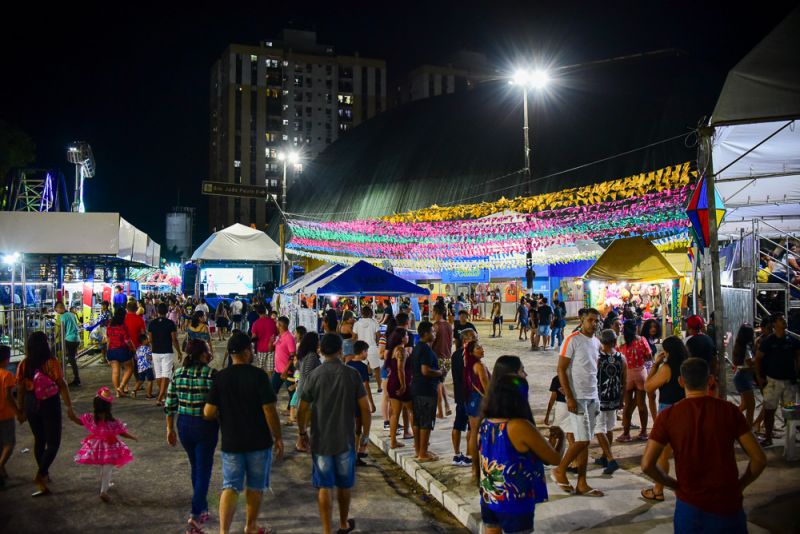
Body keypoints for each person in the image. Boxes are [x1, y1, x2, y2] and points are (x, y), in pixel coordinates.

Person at [641, 358, 766, 532]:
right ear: (710, 380)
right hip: (728, 506)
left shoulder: (668, 416)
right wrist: (740, 485)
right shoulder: (729, 410)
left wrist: (673, 484)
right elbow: (759, 459)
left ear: (681, 381)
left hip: (690, 508)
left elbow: (647, 465)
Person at [204, 332, 283, 534]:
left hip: (232, 441)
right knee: (255, 487)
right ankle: (250, 526)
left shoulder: (220, 377)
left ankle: (223, 531)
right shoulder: (259, 376)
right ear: (247, 352)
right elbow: (269, 410)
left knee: (230, 486)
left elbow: (208, 412)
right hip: (259, 441)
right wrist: (278, 437)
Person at [298, 333, 371, 534]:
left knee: (324, 486)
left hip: (321, 440)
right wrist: (365, 436)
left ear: (321, 350)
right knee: (344, 485)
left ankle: (327, 530)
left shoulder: (314, 376)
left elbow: (302, 408)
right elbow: (365, 409)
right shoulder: (352, 375)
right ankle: (343, 523)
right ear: (341, 350)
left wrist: (302, 433)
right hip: (345, 440)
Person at [479, 375, 561, 534]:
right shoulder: (519, 426)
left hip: (490, 497)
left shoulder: (486, 423)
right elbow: (554, 458)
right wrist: (562, 438)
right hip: (514, 502)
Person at [15, 331, 77, 496]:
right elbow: (61, 384)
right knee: (54, 442)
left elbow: (20, 389)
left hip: (30, 403)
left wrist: (20, 410)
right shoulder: (51, 363)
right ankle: (41, 473)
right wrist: (69, 406)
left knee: (39, 440)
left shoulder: (24, 364)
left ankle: (44, 474)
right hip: (49, 403)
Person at [166, 339, 219, 532]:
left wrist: (169, 429)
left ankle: (202, 508)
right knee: (204, 470)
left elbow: (170, 403)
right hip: (205, 425)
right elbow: (218, 404)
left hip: (184, 425)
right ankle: (195, 515)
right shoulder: (212, 374)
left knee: (196, 466)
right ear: (203, 354)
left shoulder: (178, 373)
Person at [551, 308, 604, 497]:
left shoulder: (596, 342)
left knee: (585, 442)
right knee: (583, 440)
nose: (594, 324)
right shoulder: (572, 340)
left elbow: (592, 370)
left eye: (596, 321)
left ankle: (582, 483)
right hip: (577, 397)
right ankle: (560, 470)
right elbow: (561, 369)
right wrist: (570, 397)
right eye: (590, 320)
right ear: (581, 320)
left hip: (592, 396)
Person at [641, 335, 688, 502]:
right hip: (687, 410)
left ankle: (658, 490)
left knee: (662, 455)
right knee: (685, 454)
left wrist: (656, 364)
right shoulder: (688, 364)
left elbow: (648, 386)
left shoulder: (667, 368)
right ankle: (689, 488)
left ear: (667, 351)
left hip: (668, 411)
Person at [69, 386, 136, 502]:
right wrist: (132, 437)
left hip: (99, 447)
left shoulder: (96, 419)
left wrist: (72, 416)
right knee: (106, 468)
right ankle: (104, 490)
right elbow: (122, 433)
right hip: (107, 447)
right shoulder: (110, 422)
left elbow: (79, 421)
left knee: (106, 468)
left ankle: (104, 488)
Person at [755, 312, 800, 447]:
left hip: (789, 382)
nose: (784, 321)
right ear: (774, 324)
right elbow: (758, 359)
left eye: (784, 319)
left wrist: (797, 374)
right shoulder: (768, 342)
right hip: (773, 381)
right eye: (781, 319)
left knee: (791, 413)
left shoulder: (791, 340)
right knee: (769, 410)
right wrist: (760, 378)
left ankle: (791, 438)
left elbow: (798, 357)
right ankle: (768, 437)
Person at [410, 321, 442, 462]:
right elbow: (425, 371)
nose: (435, 334)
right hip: (426, 389)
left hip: (417, 388)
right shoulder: (426, 350)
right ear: (425, 334)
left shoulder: (418, 347)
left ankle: (419, 451)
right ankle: (423, 453)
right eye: (432, 332)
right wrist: (440, 372)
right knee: (426, 422)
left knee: (418, 421)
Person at [616, 320, 652, 442]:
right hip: (640, 373)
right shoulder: (642, 340)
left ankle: (626, 434)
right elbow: (649, 356)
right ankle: (643, 432)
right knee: (642, 405)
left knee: (627, 406)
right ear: (636, 328)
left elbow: (617, 356)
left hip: (626, 375)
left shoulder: (621, 341)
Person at [464, 340, 490, 480]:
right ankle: (476, 468)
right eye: (478, 348)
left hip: (472, 400)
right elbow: (486, 386)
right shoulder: (479, 366)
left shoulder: (469, 366)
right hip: (480, 401)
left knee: (473, 433)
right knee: (477, 434)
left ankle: (475, 468)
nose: (482, 349)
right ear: (471, 352)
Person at [450, 328, 476, 467]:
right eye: (473, 337)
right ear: (465, 340)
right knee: (471, 426)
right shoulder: (469, 355)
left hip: (460, 394)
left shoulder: (455, 355)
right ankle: (468, 455)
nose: (476, 339)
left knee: (458, 424)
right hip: (469, 395)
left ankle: (457, 454)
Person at [149, 302, 183, 407]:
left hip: (155, 351)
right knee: (166, 374)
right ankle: (160, 397)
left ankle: (162, 395)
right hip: (167, 351)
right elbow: (174, 339)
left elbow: (150, 339)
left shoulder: (152, 323)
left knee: (159, 375)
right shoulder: (170, 323)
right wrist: (179, 351)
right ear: (167, 311)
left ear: (158, 311)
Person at [347, 340, 375, 463]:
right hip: (359, 401)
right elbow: (366, 386)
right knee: (358, 428)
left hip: (348, 399)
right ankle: (357, 452)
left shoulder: (348, 364)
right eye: (367, 351)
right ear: (363, 352)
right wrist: (371, 403)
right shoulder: (362, 367)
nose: (367, 354)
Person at [294, 331, 321, 453]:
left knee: (305, 419)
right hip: (308, 390)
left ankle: (303, 442)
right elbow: (308, 373)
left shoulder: (304, 355)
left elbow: (300, 369)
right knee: (307, 419)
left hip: (303, 388)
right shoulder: (311, 356)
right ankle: (302, 442)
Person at [0, 345, 20, 488]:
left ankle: (2, 468)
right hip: (5, 414)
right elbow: (9, 397)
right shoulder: (7, 376)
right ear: (7, 360)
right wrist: (18, 411)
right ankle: (0, 465)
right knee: (9, 444)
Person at [106, 308, 135, 398]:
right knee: (130, 368)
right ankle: (121, 387)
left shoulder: (110, 325)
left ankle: (118, 392)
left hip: (111, 351)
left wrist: (107, 351)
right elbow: (127, 341)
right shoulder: (122, 326)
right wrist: (133, 349)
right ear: (123, 316)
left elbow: (108, 339)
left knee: (115, 372)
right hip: (122, 350)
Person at [732, 324, 757, 427]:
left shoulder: (740, 345)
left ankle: (731, 421)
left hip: (741, 376)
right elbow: (751, 363)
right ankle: (749, 430)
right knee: (751, 405)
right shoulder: (746, 348)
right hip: (743, 377)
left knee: (745, 405)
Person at [431, 304, 453, 419]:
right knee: (441, 382)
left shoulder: (435, 326)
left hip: (438, 357)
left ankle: (440, 411)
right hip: (447, 359)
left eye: (433, 312)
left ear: (436, 312)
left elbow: (431, 343)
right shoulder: (449, 325)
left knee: (437, 385)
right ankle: (447, 406)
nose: (432, 314)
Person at [55, 301, 82, 387]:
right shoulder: (71, 314)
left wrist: (57, 336)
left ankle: (62, 376)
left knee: (54, 351)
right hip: (76, 338)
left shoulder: (63, 316)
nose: (57, 312)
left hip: (69, 339)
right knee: (71, 359)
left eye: (57, 310)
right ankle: (76, 378)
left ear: (60, 308)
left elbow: (62, 330)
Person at [353, 307, 381, 387]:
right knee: (377, 369)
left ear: (362, 313)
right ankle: (379, 387)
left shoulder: (357, 323)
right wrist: (377, 343)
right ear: (370, 313)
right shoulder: (374, 322)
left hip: (361, 349)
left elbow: (354, 337)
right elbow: (378, 335)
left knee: (362, 369)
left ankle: (363, 387)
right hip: (372, 348)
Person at [543, 374, 569, 457]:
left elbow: (553, 398)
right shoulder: (575, 375)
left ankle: (549, 456)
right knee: (571, 434)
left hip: (562, 407)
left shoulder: (558, 378)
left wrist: (547, 415)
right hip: (575, 406)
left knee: (554, 432)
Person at [272, 316, 297, 398]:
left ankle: (292, 409)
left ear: (280, 325)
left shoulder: (289, 337)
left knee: (292, 395)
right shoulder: (279, 336)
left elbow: (292, 355)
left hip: (287, 372)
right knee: (272, 392)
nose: (275, 325)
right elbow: (272, 348)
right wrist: (270, 342)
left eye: (276, 323)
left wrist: (286, 370)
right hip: (277, 370)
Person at [250, 304, 278, 376]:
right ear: (265, 311)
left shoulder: (255, 324)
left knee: (260, 369)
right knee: (270, 370)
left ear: (257, 312)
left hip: (261, 349)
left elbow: (254, 337)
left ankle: (261, 384)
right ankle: (269, 384)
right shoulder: (273, 322)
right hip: (272, 349)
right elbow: (277, 333)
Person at [132, 332, 156, 399]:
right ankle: (149, 394)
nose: (148, 340)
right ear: (144, 340)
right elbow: (150, 358)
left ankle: (134, 391)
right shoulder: (148, 349)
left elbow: (136, 358)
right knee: (150, 380)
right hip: (148, 366)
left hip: (140, 367)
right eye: (147, 339)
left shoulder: (138, 349)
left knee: (140, 380)